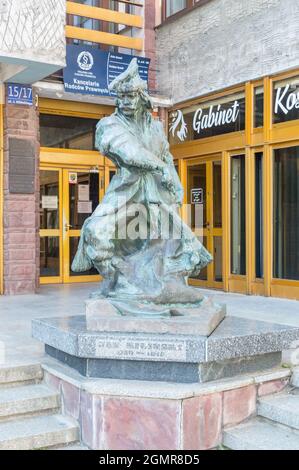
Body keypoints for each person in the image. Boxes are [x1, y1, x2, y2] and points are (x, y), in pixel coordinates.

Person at [72, 59, 212, 308]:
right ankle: (118, 283)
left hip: (156, 195)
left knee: (175, 245)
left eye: (131, 96)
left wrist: (175, 184)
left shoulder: (156, 128)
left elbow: (166, 157)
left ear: (142, 96)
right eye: (122, 96)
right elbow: (130, 152)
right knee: (96, 232)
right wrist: (159, 167)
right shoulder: (109, 125)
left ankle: (167, 287)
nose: (126, 101)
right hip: (128, 192)